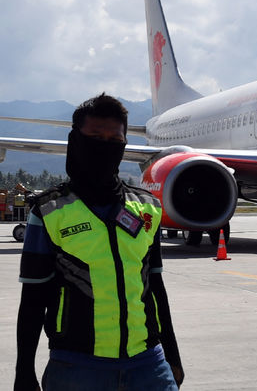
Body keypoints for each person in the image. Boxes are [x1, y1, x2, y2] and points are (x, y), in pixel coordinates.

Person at [15, 94, 183, 390]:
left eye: (114, 139)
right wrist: (24, 371)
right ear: (75, 140)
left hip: (148, 364)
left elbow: (155, 287)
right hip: (76, 366)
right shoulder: (49, 212)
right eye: (95, 137)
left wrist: (172, 354)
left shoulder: (147, 208)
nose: (105, 146)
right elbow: (32, 300)